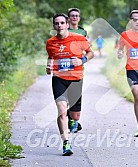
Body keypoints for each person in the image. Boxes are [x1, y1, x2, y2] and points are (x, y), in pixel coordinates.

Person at [46, 13, 94, 155]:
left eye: (62, 23)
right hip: (59, 78)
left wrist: (82, 60)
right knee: (61, 111)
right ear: (54, 26)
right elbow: (51, 58)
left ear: (67, 25)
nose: (59, 25)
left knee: (75, 116)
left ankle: (71, 116)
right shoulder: (50, 42)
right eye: (57, 23)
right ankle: (66, 143)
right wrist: (48, 67)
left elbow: (91, 53)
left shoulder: (79, 39)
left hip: (75, 79)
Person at [67, 7, 87, 133]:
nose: (74, 17)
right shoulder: (64, 30)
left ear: (79, 18)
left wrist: (82, 59)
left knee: (75, 94)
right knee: (67, 95)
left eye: (76, 15)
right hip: (64, 67)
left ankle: (73, 119)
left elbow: (87, 47)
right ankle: (71, 117)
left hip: (78, 67)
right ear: (68, 18)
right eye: (72, 15)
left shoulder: (83, 32)